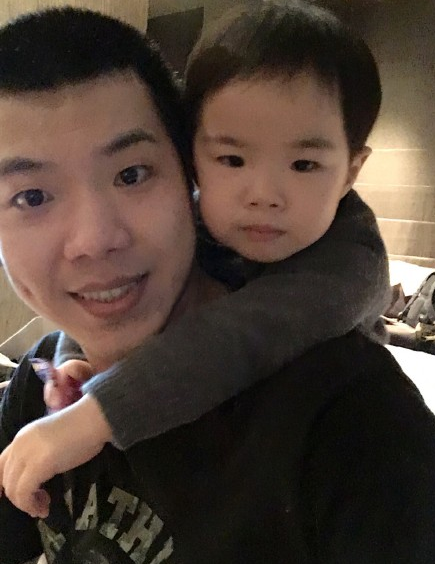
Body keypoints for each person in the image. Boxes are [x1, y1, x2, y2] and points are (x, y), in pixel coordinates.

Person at [1, 4, 434, 563]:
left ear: (187, 174)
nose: (94, 240)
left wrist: (101, 410)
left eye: (131, 174)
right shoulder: (40, 386)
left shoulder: (357, 424)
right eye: (31, 196)